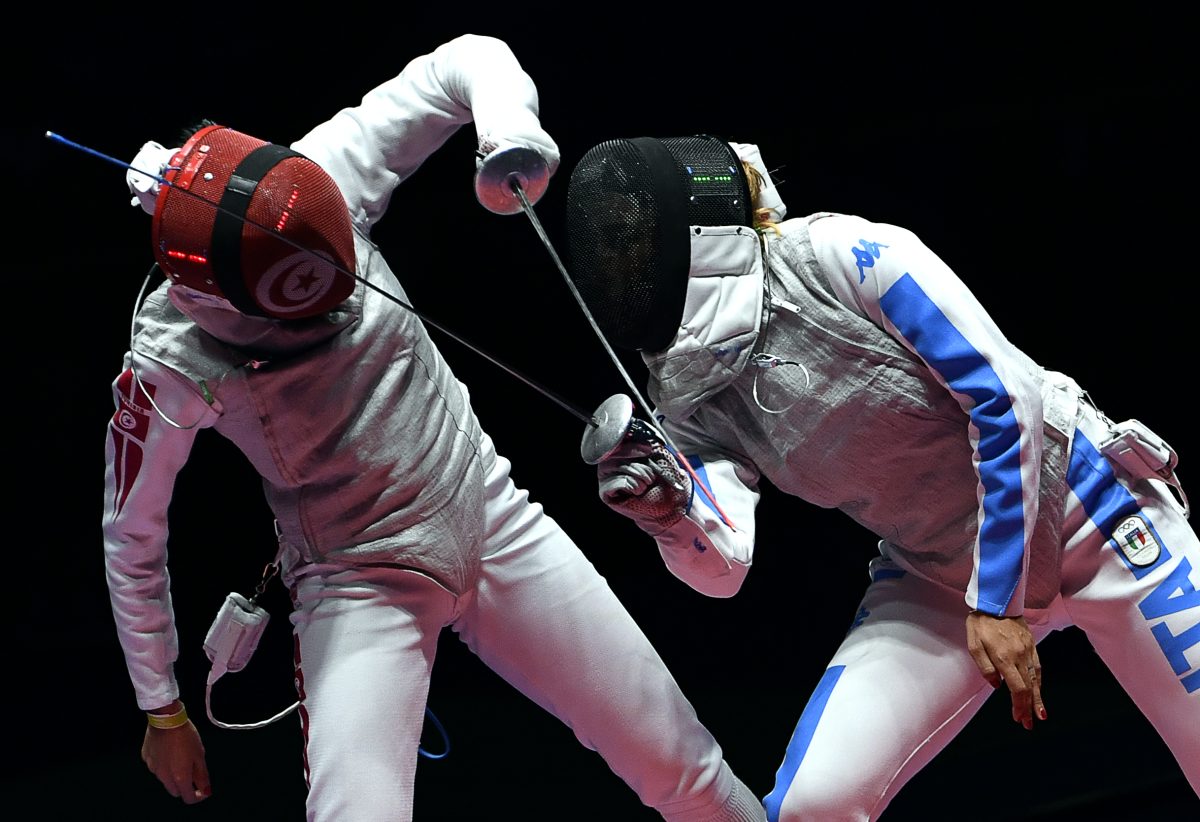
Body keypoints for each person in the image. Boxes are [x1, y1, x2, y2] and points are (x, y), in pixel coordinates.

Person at [101, 38, 769, 822]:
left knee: (687, 772)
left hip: (488, 511)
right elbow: (131, 536)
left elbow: (465, 61)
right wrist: (162, 707)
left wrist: (510, 132)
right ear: (215, 302)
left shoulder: (324, 175)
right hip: (359, 583)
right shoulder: (171, 362)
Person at [562, 134, 1199, 820]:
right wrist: (668, 513)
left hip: (1089, 512)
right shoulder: (686, 396)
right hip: (937, 573)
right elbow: (723, 570)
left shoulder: (843, 256)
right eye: (611, 245)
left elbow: (1005, 397)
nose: (620, 260)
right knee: (813, 807)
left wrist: (997, 601)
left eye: (634, 236)